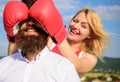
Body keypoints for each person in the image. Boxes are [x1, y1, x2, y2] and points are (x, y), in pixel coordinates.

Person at [6, 0, 110, 77]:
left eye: (83, 26)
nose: (75, 26)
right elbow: (15, 59)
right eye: (75, 20)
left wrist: (58, 34)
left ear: (90, 34)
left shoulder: (89, 58)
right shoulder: (51, 40)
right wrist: (12, 37)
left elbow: (76, 67)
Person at [0, 0, 81, 82]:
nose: (30, 23)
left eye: (36, 20)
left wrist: (58, 34)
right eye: (25, 19)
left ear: (47, 25)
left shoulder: (64, 68)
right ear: (17, 26)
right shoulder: (3, 65)